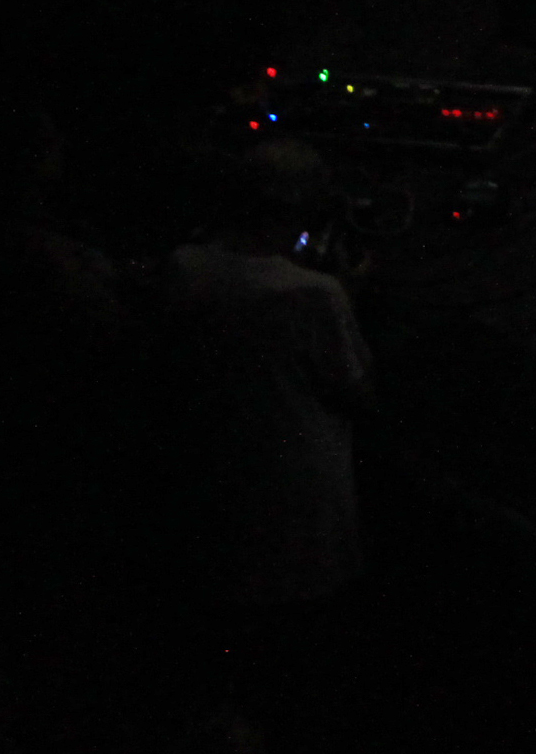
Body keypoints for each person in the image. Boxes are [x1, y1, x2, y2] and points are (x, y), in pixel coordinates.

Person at [167, 139, 378, 743]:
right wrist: (351, 299)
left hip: (217, 481)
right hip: (301, 500)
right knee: (306, 654)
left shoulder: (183, 269)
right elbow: (359, 395)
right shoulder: (312, 295)